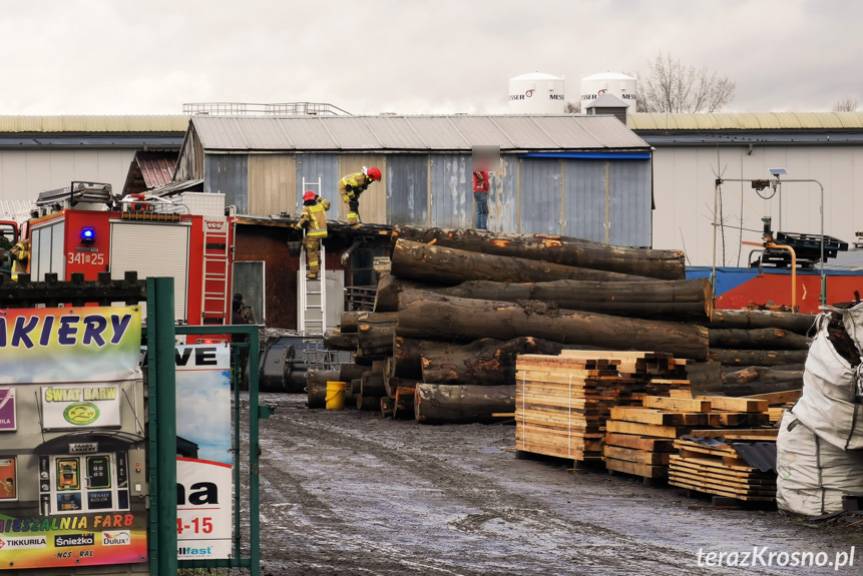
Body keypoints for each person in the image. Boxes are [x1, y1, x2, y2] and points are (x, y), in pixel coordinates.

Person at [296, 191, 331, 280]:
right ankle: (318, 260)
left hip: (314, 233)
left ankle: (313, 273)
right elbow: (328, 203)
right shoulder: (321, 206)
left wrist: (298, 226)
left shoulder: (307, 209)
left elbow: (305, 220)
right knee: (306, 243)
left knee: (311, 252)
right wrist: (318, 197)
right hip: (323, 232)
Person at [472, 164, 490, 229]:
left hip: (478, 191)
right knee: (484, 211)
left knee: (480, 211)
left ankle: (479, 229)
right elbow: (476, 171)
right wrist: (482, 179)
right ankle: (483, 229)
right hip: (481, 191)